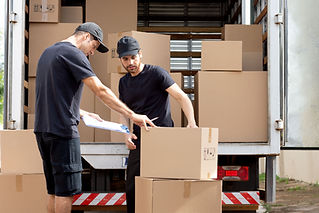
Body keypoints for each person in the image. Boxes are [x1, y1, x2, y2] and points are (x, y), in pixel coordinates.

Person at [34, 22, 155, 213]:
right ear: (85, 37)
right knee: (65, 193)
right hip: (63, 132)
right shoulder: (74, 54)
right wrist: (132, 115)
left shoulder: (48, 53)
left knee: (54, 191)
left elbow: (52, 95)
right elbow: (100, 90)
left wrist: (82, 113)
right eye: (94, 46)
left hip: (43, 130)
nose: (91, 52)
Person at [117, 36, 198, 213]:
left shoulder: (156, 74)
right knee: (133, 187)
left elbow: (182, 97)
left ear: (140, 54)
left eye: (133, 57)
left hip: (163, 139)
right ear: (120, 60)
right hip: (139, 139)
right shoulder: (123, 82)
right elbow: (123, 112)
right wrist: (126, 134)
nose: (130, 62)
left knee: (164, 185)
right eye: (125, 59)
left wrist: (191, 122)